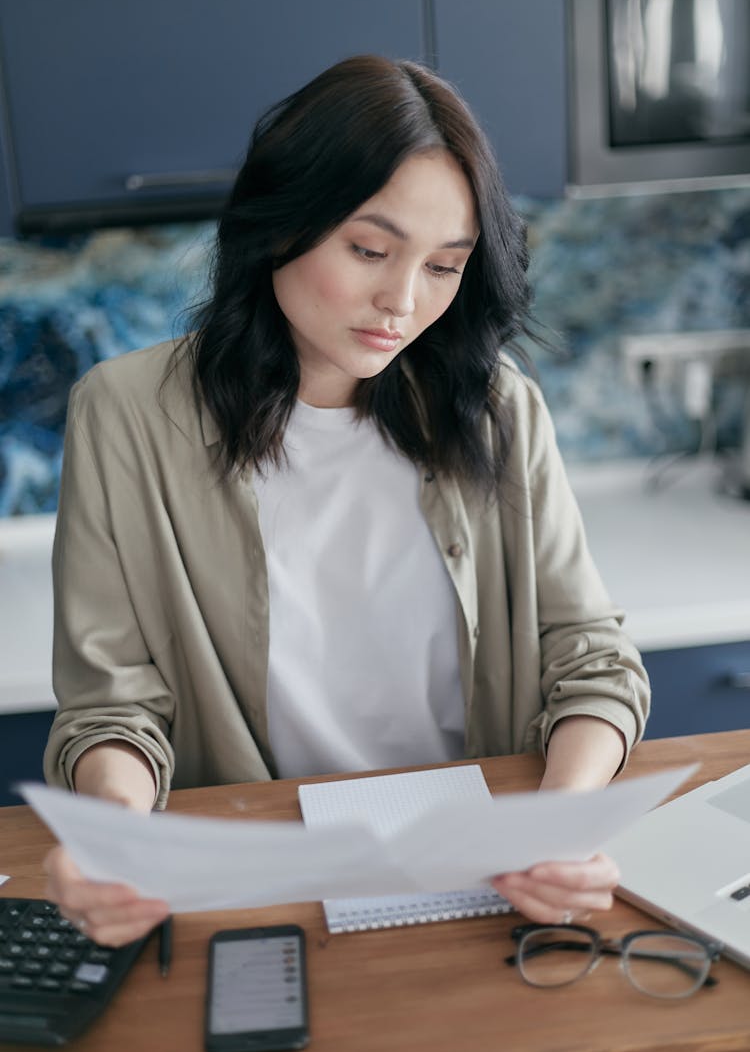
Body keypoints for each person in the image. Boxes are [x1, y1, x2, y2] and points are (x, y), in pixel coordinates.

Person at [43, 54, 650, 946]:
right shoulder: (127, 414)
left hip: (483, 881)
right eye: (369, 250)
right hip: (259, 888)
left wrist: (554, 830)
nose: (401, 302)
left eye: (445, 267)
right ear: (277, 224)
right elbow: (112, 706)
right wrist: (121, 836)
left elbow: (592, 660)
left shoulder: (498, 408)